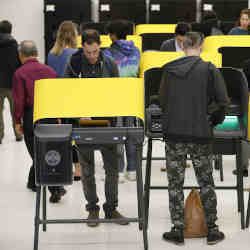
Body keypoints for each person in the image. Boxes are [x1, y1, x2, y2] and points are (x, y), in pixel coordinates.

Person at [159, 32, 229, 245]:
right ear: (200, 46)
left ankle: (178, 231)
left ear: (181, 46)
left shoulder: (169, 70)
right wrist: (212, 121)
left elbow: (162, 101)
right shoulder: (209, 69)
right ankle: (213, 230)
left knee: (175, 183)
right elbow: (222, 101)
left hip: (174, 135)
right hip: (200, 134)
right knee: (206, 182)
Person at [64, 29, 129, 227]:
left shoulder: (109, 63)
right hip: (83, 123)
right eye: (88, 52)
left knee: (112, 169)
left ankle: (111, 208)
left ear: (99, 46)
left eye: (94, 52)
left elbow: (117, 92)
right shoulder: (74, 63)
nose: (92, 56)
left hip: (106, 122)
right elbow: (66, 93)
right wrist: (77, 114)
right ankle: (92, 208)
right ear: (82, 48)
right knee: (87, 169)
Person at [12, 40, 66, 203]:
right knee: (47, 149)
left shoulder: (20, 73)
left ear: (21, 55)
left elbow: (19, 101)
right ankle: (33, 182)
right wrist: (58, 116)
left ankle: (55, 187)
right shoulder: (49, 71)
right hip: (49, 113)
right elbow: (57, 95)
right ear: (36, 53)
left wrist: (17, 121)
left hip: (31, 116)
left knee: (38, 153)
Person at [104, 19, 141, 182]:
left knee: (116, 133)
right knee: (130, 131)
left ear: (112, 36)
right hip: (132, 95)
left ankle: (118, 171)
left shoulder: (108, 53)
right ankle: (132, 169)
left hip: (114, 95)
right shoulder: (137, 51)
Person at [47, 20, 82, 181]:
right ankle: (78, 169)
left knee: (61, 133)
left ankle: (62, 166)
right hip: (73, 97)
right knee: (74, 132)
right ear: (74, 35)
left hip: (56, 98)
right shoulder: (76, 54)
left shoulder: (51, 54)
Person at [0, 20, 22, 144]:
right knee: (16, 111)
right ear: (10, 30)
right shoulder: (15, 46)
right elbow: (19, 65)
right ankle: (18, 134)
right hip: (12, 84)